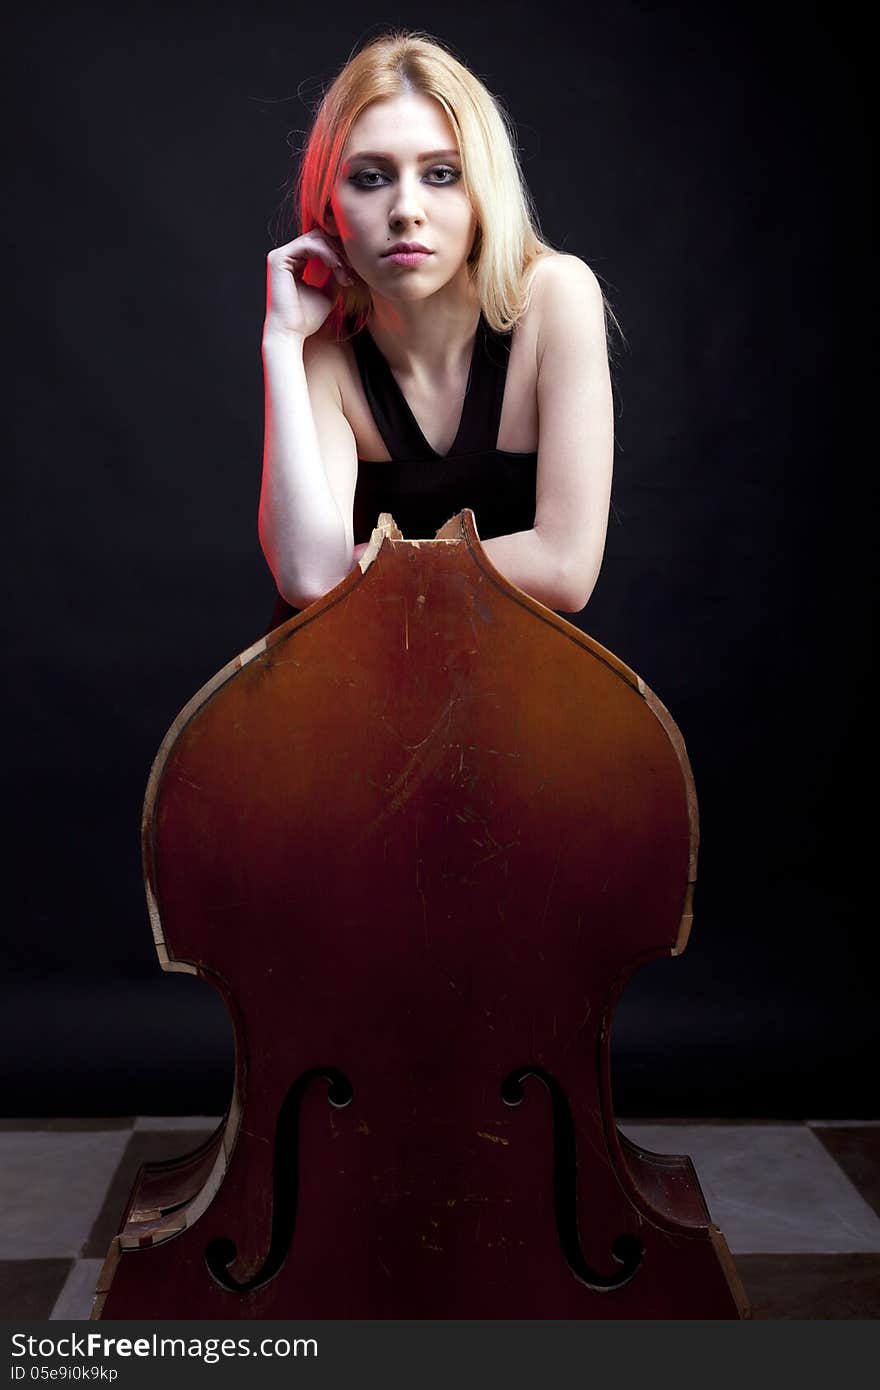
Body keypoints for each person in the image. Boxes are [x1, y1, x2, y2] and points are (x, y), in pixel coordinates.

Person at [259, 29, 615, 630]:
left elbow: (565, 569)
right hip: (346, 686)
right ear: (328, 209)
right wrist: (281, 342)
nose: (405, 210)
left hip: (537, 689)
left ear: (484, 192)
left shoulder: (557, 296)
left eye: (442, 174)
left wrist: (367, 567)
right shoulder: (325, 346)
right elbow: (305, 577)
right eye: (371, 177)